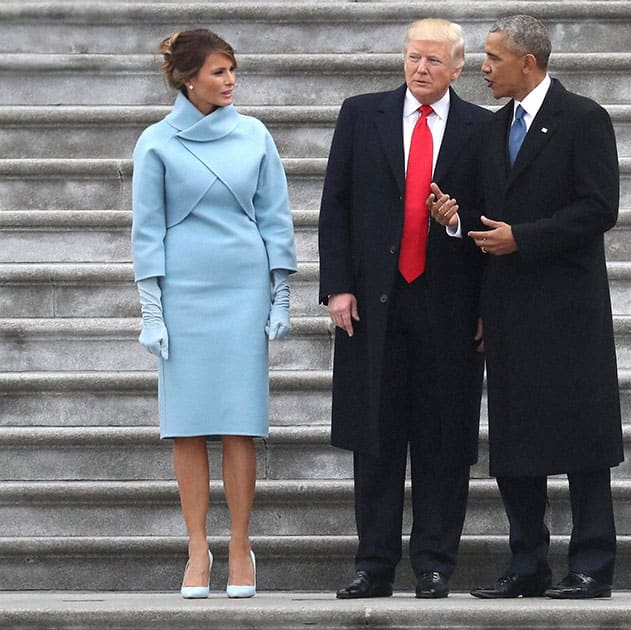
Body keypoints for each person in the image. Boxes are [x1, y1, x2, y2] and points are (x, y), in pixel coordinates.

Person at [431, 14, 623, 600]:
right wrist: (457, 220)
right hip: (509, 307)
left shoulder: (584, 118)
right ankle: (528, 563)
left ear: (528, 63)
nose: (482, 69)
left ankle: (591, 562)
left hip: (569, 309)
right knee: (515, 442)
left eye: (492, 58)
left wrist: (525, 237)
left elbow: (599, 209)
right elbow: (488, 212)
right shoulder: (492, 130)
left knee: (583, 439)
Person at [317, 18, 489, 599]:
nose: (421, 69)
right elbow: (334, 205)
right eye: (414, 57)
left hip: (449, 305)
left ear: (459, 68)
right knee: (377, 438)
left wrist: (458, 223)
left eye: (435, 61)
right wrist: (338, 287)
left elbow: (490, 218)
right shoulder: (361, 114)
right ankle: (374, 564)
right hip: (374, 304)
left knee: (443, 440)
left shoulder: (482, 128)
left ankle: (436, 563)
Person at [131, 29, 297, 599]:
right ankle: (197, 548)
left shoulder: (255, 135)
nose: (230, 81)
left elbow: (275, 216)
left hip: (242, 287)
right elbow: (146, 230)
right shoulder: (156, 142)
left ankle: (240, 546)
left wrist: (281, 292)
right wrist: (152, 309)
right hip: (184, 290)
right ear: (188, 78)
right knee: (186, 424)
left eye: (233, 71)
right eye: (219, 72)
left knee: (239, 421)